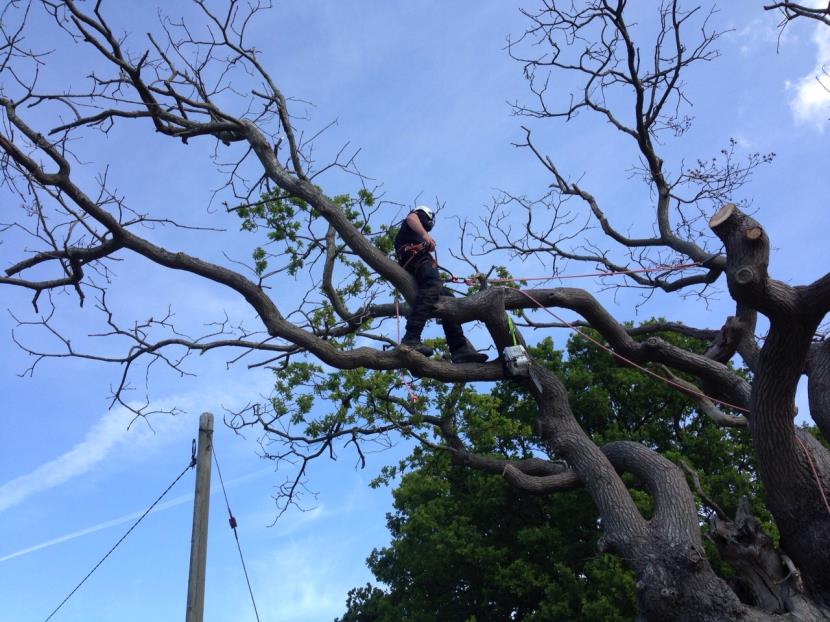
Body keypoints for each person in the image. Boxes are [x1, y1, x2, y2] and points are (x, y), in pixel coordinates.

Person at [393, 206, 488, 364]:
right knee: (432, 283)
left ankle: (459, 349)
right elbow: (411, 218)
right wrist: (425, 236)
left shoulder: (412, 234)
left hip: (417, 262)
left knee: (447, 296)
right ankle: (411, 337)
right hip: (416, 258)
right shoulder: (416, 218)